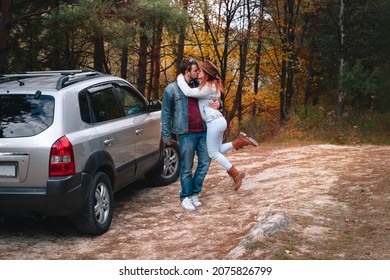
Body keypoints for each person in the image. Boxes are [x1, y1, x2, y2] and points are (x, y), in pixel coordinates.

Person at [176, 60, 258, 191]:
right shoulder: (210, 85)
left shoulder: (208, 87)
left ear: (206, 74)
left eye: (201, 70)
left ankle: (235, 174)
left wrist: (180, 77)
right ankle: (238, 142)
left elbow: (188, 92)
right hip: (217, 121)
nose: (198, 72)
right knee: (216, 150)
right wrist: (220, 103)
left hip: (214, 122)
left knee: (213, 153)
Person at [161, 58, 220, 211]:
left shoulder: (200, 85)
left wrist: (220, 104)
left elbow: (215, 97)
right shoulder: (171, 89)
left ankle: (194, 192)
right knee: (186, 167)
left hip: (203, 130)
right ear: (186, 72)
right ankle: (185, 196)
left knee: (205, 163)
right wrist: (166, 136)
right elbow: (166, 113)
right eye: (195, 70)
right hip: (185, 133)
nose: (198, 72)